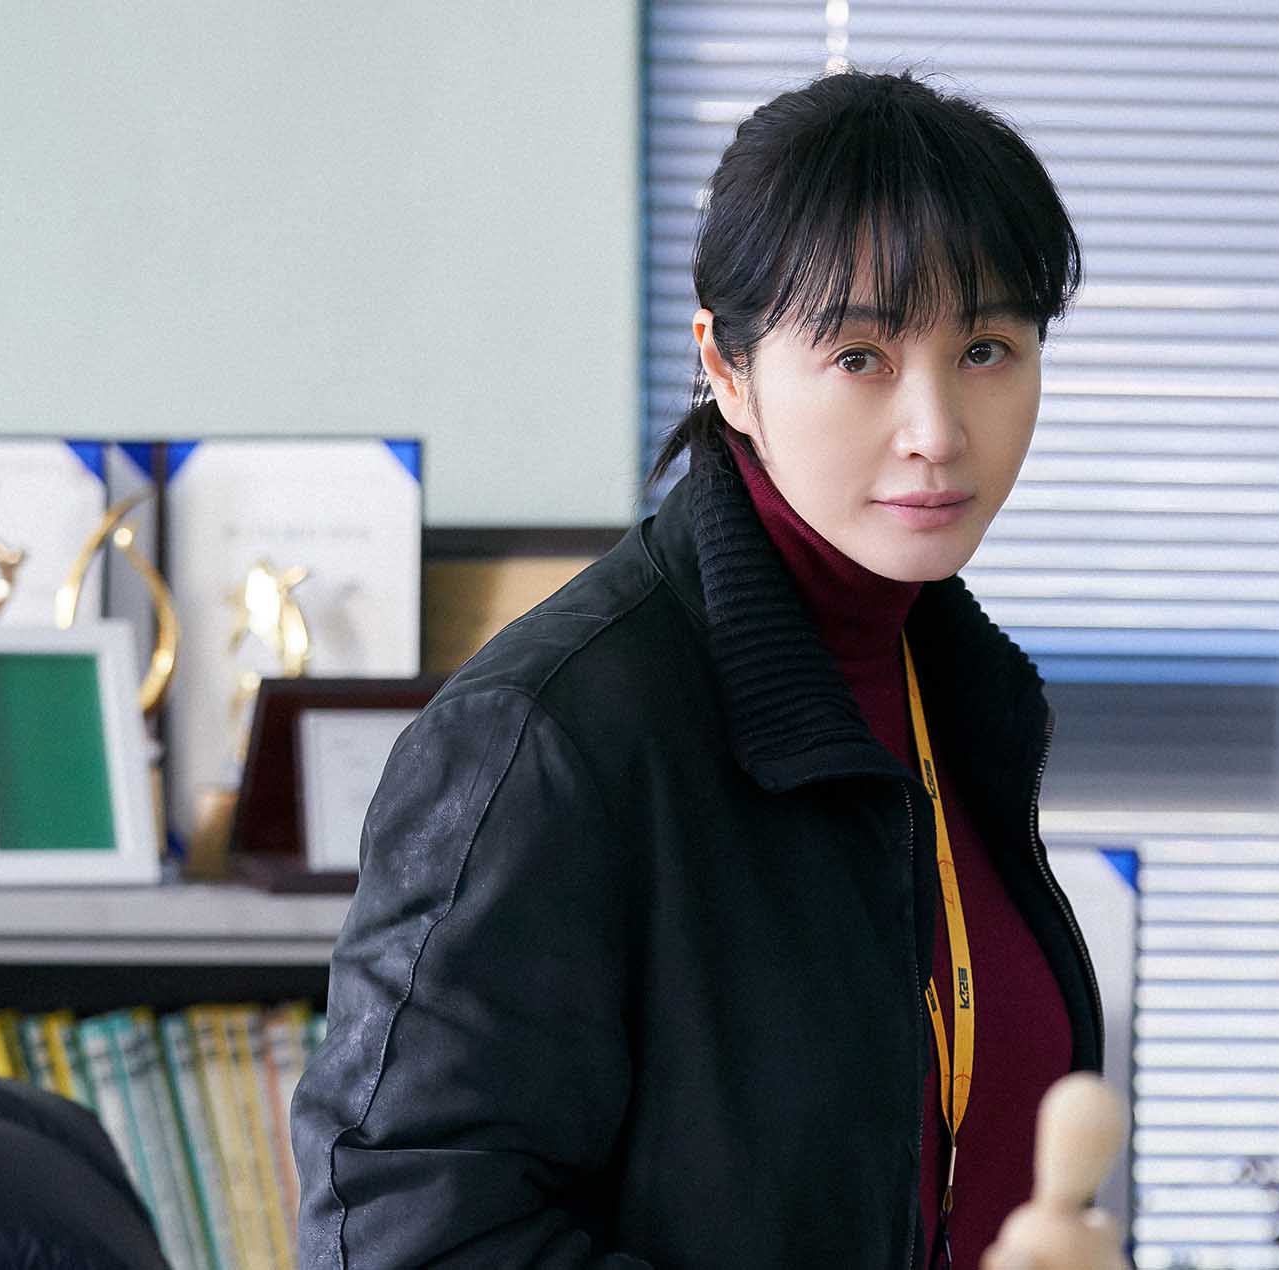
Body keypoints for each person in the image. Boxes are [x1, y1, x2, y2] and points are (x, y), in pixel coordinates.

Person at [294, 68, 1103, 1269]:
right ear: (727, 371)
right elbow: (400, 1236)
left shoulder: (951, 685)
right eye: (860, 357)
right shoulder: (548, 734)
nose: (936, 430)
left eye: (984, 348)